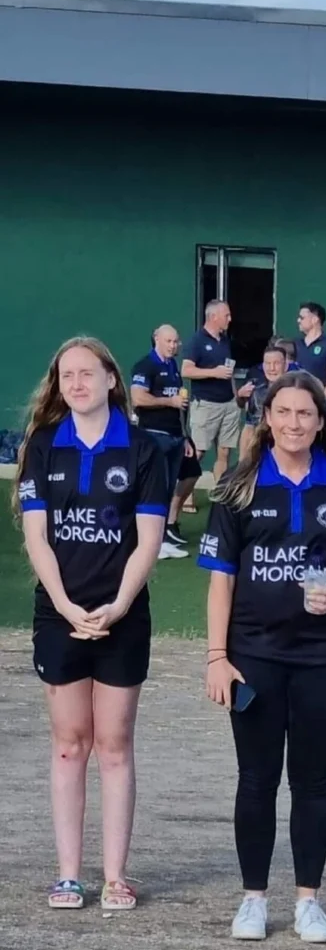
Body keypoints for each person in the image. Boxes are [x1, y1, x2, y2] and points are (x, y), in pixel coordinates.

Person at [197, 370, 326, 943]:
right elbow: (221, 581)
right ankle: (253, 899)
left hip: (322, 658)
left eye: (306, 413)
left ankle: (308, 902)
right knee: (256, 780)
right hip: (253, 657)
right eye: (284, 412)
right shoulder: (237, 487)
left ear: (320, 422)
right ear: (267, 418)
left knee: (313, 781)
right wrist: (216, 657)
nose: (294, 423)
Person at [15, 336, 167, 912]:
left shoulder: (143, 450)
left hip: (121, 616)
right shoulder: (44, 447)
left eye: (87, 373)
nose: (75, 384)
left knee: (114, 744)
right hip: (61, 616)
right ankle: (69, 876)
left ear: (110, 380)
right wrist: (64, 604)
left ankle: (116, 877)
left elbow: (147, 542)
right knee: (68, 744)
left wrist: (120, 605)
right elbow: (38, 538)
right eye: (66, 376)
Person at [130, 324, 189, 559]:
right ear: (156, 339)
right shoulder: (145, 366)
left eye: (176, 342)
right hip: (154, 435)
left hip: (174, 436)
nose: (173, 346)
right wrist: (169, 401)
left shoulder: (172, 365)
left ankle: (162, 538)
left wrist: (185, 437)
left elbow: (180, 404)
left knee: (167, 489)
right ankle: (148, 541)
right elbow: (137, 397)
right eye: (169, 341)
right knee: (154, 489)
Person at [182, 299, 241, 483]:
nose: (230, 319)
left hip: (229, 405)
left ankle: (219, 495)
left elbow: (228, 372)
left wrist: (236, 397)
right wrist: (213, 372)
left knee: (225, 452)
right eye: (226, 315)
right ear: (213, 317)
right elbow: (186, 370)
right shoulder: (196, 341)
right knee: (198, 452)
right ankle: (185, 495)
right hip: (206, 405)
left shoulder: (224, 341)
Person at [237, 343, 287, 460]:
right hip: (257, 445)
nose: (272, 368)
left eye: (276, 363)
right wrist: (240, 395)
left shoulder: (295, 391)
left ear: (285, 365)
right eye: (268, 364)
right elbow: (249, 422)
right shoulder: (257, 389)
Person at [295, 302, 326, 397]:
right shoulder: (296, 344)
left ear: (315, 319)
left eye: (302, 317)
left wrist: (320, 402)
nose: (298, 320)